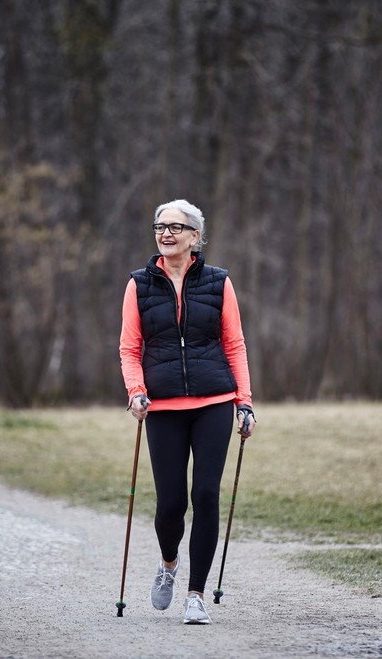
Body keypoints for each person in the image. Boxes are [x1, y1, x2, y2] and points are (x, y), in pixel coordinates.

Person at [119, 199, 256, 625]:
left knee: (206, 496)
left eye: (176, 227)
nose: (166, 233)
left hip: (213, 402)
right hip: (162, 407)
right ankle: (168, 564)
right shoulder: (139, 284)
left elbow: (234, 344)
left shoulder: (218, 283)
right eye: (160, 226)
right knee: (171, 503)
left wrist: (245, 401)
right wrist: (136, 391)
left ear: (195, 236)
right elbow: (130, 347)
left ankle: (195, 594)